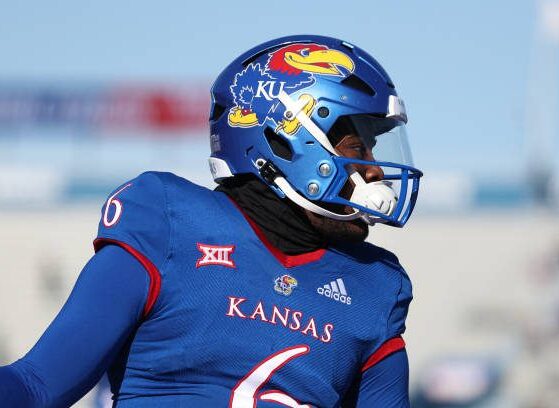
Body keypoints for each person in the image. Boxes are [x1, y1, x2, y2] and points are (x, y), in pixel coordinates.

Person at [0, 35, 422, 407]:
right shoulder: (167, 221)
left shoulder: (376, 286)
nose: (374, 171)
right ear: (286, 141)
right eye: (357, 147)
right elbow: (37, 386)